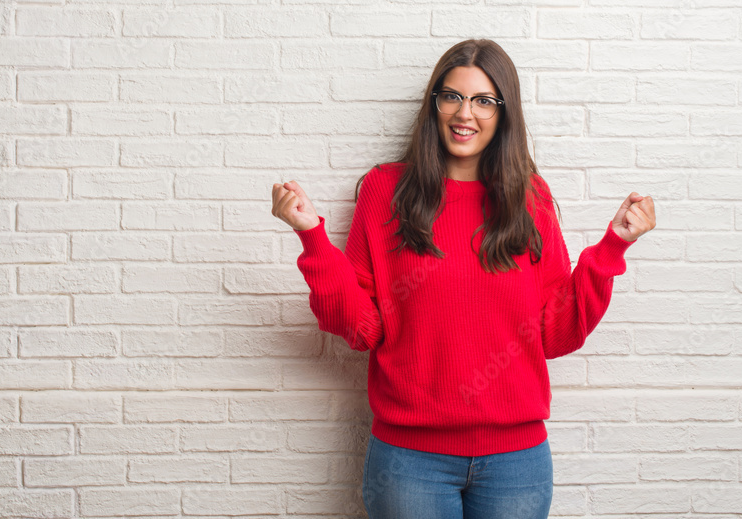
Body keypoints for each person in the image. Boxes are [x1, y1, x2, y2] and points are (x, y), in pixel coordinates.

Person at [270, 39, 656, 518]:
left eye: (483, 100)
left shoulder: (529, 198)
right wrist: (312, 239)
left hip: (515, 462)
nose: (464, 113)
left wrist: (613, 246)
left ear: (504, 111)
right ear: (434, 104)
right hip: (409, 461)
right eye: (451, 96)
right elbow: (361, 328)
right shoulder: (384, 190)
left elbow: (556, 333)